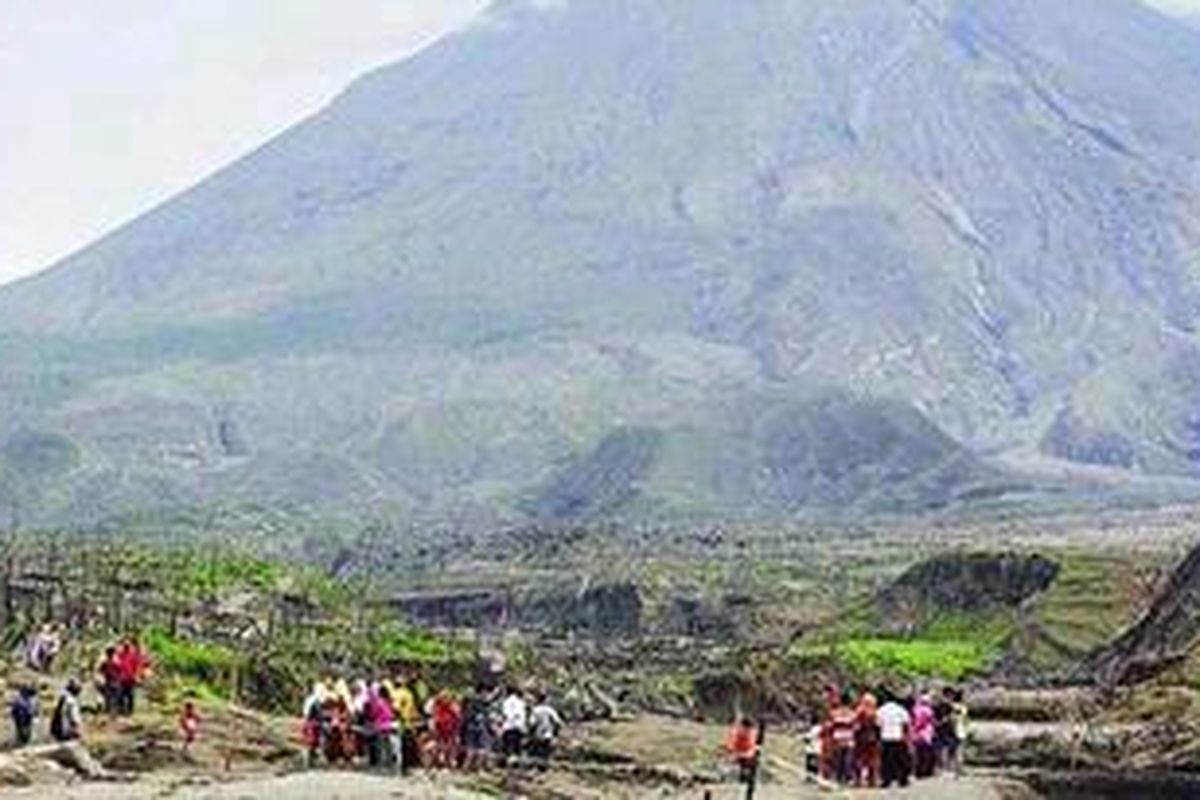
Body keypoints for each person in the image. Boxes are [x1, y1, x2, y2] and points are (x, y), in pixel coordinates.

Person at [877, 692, 912, 789]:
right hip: (898, 736)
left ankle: (886, 780)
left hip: (885, 737)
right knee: (900, 760)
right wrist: (906, 736)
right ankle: (902, 779)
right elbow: (906, 723)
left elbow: (878, 724)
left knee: (886, 760)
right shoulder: (901, 709)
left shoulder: (881, 710)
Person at [461, 684, 497, 771]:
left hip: (470, 727)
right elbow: (488, 701)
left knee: (471, 749)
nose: (486, 694)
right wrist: (495, 693)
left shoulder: (468, 703)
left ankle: (466, 768)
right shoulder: (479, 701)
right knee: (483, 749)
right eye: (485, 692)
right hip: (478, 727)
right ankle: (476, 768)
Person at [392, 676, 423, 773]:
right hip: (409, 722)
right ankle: (406, 766)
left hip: (402, 722)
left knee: (402, 745)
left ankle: (403, 767)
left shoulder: (398, 693)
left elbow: (396, 708)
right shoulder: (409, 694)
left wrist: (399, 718)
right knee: (407, 745)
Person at [115, 636, 151, 716]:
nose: (126, 645)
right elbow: (117, 663)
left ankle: (129, 711)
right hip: (122, 677)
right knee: (121, 694)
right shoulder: (121, 654)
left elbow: (137, 665)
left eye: (128, 644)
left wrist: (137, 675)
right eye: (125, 644)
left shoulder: (133, 655)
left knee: (129, 695)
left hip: (130, 677)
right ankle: (122, 710)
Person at [528, 691, 564, 772]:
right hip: (548, 734)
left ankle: (539, 768)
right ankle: (545, 767)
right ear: (546, 699)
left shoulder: (535, 710)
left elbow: (532, 723)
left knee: (538, 752)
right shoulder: (550, 710)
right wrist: (556, 733)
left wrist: (530, 734)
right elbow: (558, 722)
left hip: (538, 734)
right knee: (547, 752)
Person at [828, 691, 858, 784]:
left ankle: (838, 777)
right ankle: (848, 777)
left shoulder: (834, 713)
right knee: (848, 759)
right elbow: (856, 727)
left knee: (838, 759)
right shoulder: (853, 713)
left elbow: (831, 726)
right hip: (849, 738)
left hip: (837, 738)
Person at [854, 690, 881, 787]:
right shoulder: (874, 713)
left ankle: (858, 780)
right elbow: (878, 726)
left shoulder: (859, 711)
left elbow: (856, 725)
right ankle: (872, 780)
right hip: (872, 737)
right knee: (872, 759)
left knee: (859, 758)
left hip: (861, 737)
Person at [430, 689, 462, 769]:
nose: (445, 699)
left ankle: (447, 763)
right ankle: (442, 763)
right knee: (443, 746)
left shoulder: (449, 705)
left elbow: (458, 715)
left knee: (449, 746)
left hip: (449, 728)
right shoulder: (437, 704)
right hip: (442, 728)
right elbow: (458, 715)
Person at [725, 716, 759, 784]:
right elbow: (730, 746)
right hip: (735, 756)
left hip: (745, 758)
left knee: (749, 762)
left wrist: (739, 755)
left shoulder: (751, 736)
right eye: (745, 730)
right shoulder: (735, 733)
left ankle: (744, 776)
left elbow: (750, 752)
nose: (747, 732)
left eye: (749, 730)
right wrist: (732, 753)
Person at [500, 686, 528, 766]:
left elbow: (506, 714)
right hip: (519, 727)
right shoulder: (520, 702)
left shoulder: (507, 702)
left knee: (509, 748)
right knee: (517, 748)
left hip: (509, 727)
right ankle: (515, 764)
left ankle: (510, 765)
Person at [912, 693, 938, 779]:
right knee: (926, 753)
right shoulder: (928, 710)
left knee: (919, 753)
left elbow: (915, 721)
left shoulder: (915, 709)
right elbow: (930, 721)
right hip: (926, 733)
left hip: (917, 734)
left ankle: (918, 771)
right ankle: (925, 771)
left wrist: (914, 729)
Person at [948, 688, 969, 777]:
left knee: (955, 750)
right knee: (958, 750)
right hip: (959, 730)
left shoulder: (952, 706)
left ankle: (956, 768)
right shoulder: (960, 707)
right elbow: (964, 719)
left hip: (956, 730)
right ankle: (957, 769)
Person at [96, 647, 122, 716]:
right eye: (109, 653)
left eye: (111, 653)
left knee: (113, 696)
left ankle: (113, 710)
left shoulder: (115, 661)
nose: (110, 654)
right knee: (109, 696)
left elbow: (119, 670)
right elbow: (100, 669)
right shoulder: (107, 661)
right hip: (109, 680)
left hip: (114, 680)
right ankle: (109, 710)